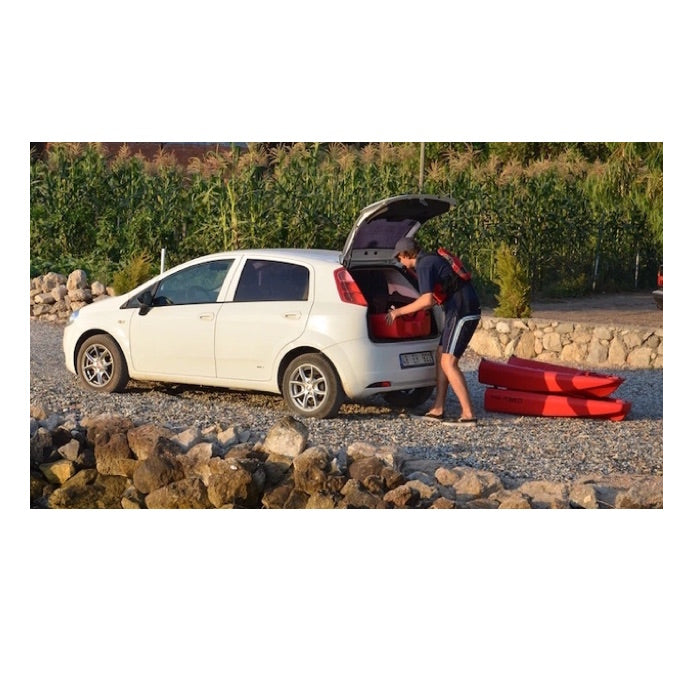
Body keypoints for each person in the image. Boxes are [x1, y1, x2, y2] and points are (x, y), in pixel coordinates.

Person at [385, 236, 481, 425]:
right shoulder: (428, 261)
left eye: (399, 258)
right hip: (457, 309)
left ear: (406, 254)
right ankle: (438, 408)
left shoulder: (424, 265)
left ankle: (468, 414)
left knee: (449, 362)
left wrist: (398, 312)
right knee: (440, 355)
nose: (400, 263)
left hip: (463, 310)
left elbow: (427, 300)